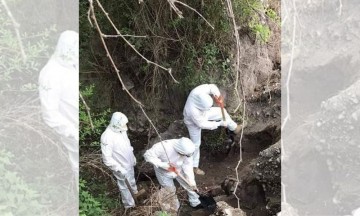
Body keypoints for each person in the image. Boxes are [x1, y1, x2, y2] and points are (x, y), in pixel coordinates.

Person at [39, 30, 79, 188]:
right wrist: (71, 132)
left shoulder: (69, 65)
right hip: (71, 129)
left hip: (78, 123)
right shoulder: (51, 73)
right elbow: (49, 113)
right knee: (77, 166)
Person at [183, 84, 243, 175]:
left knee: (221, 112)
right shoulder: (192, 111)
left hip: (204, 113)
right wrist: (219, 123)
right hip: (192, 122)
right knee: (196, 144)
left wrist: (218, 97)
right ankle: (194, 167)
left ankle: (234, 128)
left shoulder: (199, 91)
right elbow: (203, 124)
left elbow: (212, 87)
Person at [143, 137, 201, 210]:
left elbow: (188, 165)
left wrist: (191, 180)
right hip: (164, 173)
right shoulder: (162, 146)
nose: (185, 156)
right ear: (179, 150)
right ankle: (175, 208)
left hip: (179, 169)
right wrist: (163, 165)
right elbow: (147, 155)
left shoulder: (188, 151)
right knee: (169, 191)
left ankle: (195, 202)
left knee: (190, 185)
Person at [101, 112, 138, 209]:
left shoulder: (121, 130)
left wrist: (132, 156)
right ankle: (130, 206)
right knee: (125, 187)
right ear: (116, 124)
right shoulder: (107, 137)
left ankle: (136, 196)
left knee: (132, 181)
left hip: (128, 163)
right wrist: (119, 168)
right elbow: (107, 158)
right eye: (123, 124)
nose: (125, 126)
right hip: (120, 167)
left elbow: (127, 144)